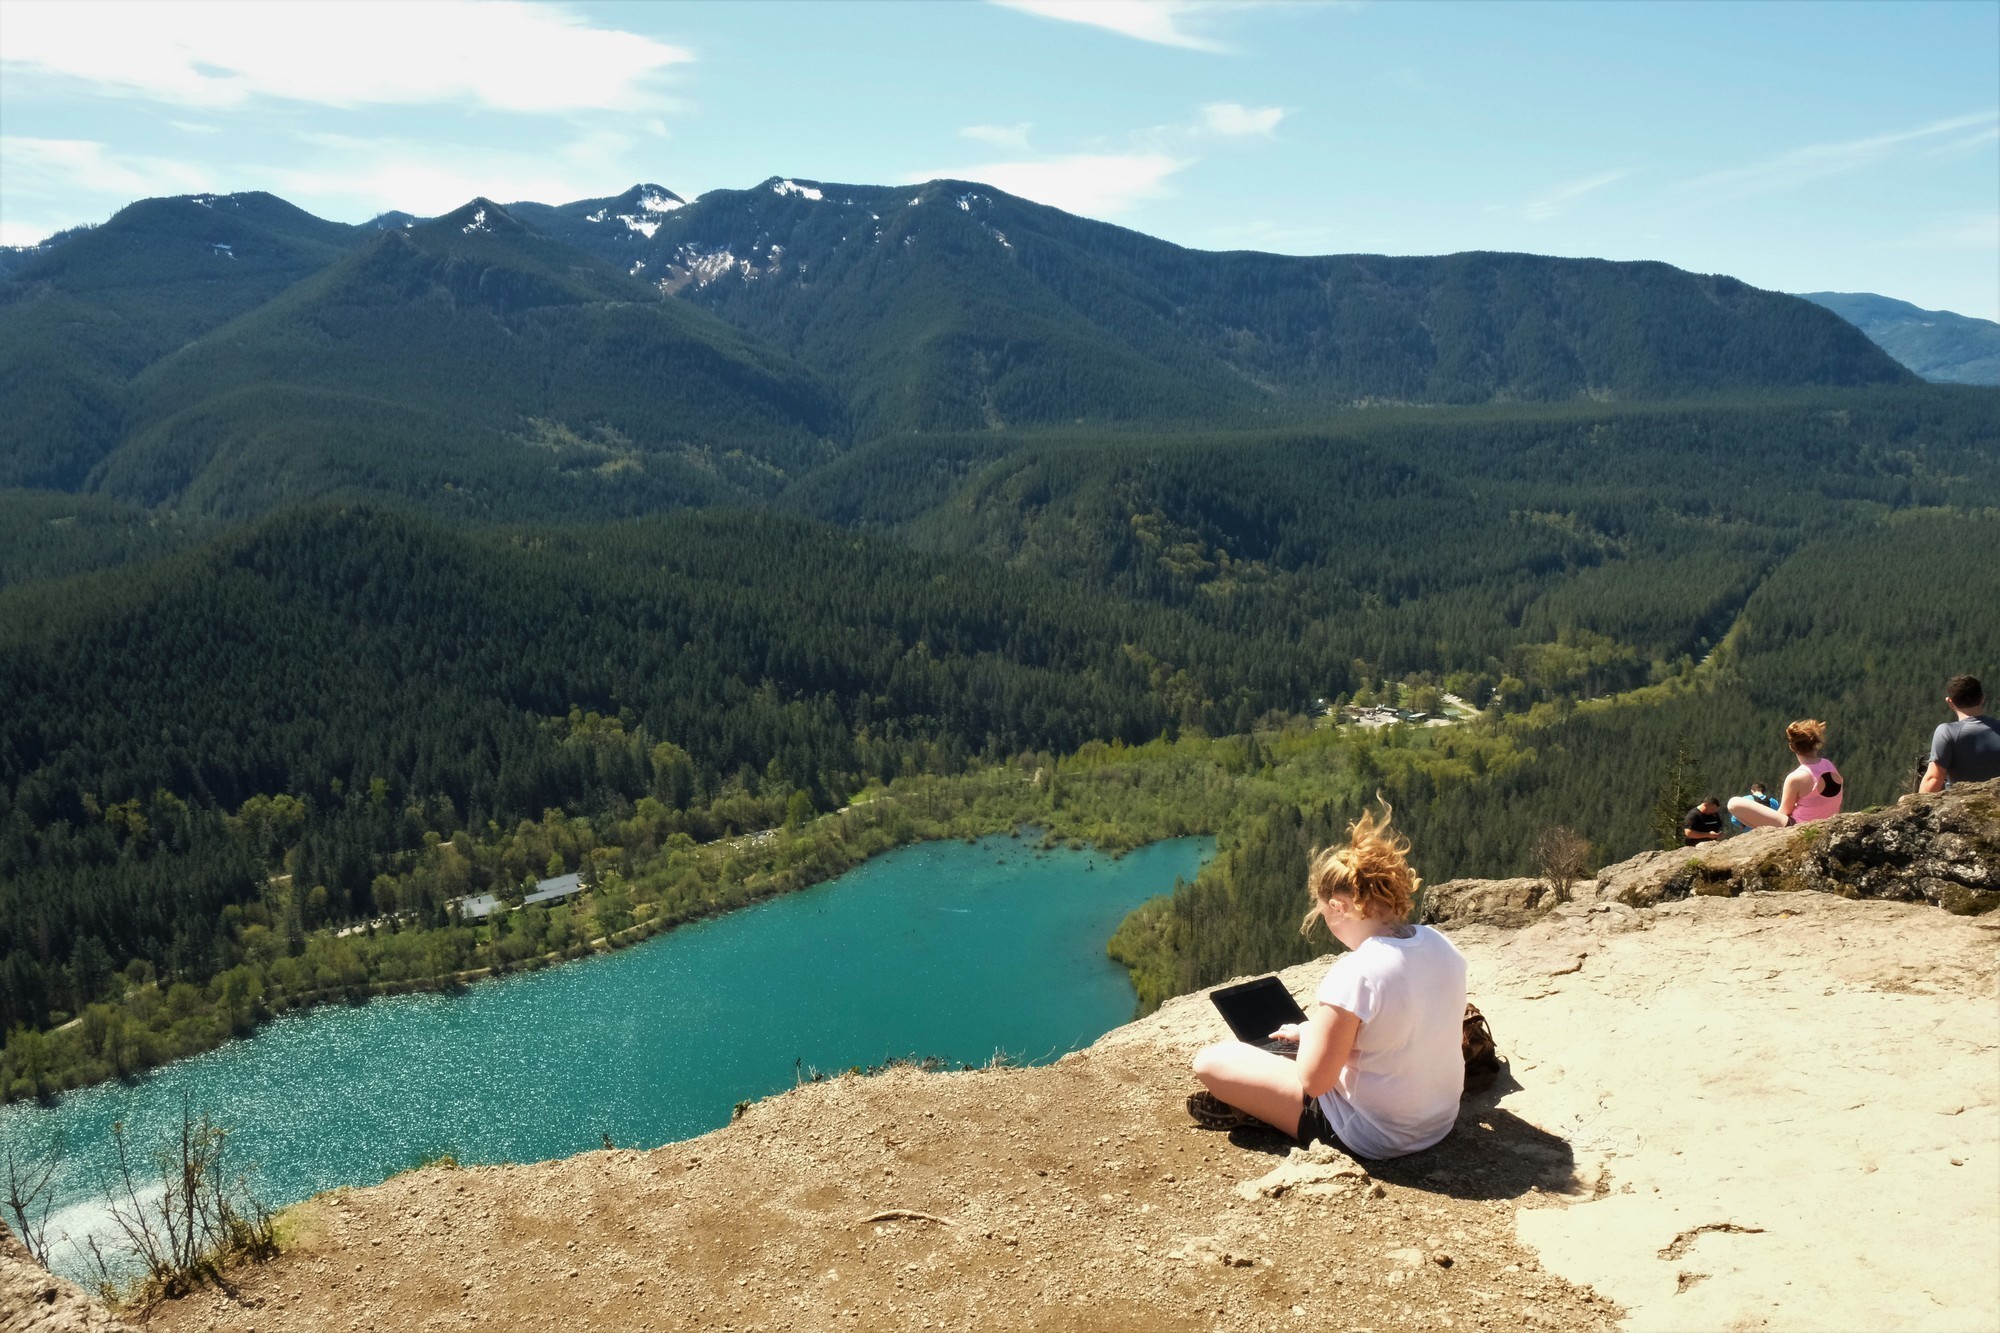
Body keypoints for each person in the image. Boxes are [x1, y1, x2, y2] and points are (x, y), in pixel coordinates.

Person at [1186, 804, 1467, 1159]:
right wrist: (1314, 1032)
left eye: (1325, 916)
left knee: (1212, 1061)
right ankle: (1265, 1103)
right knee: (1300, 1049)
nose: (1330, 928)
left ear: (1339, 907)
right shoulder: (1441, 944)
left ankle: (1262, 1111)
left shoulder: (1357, 970)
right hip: (1439, 1122)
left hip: (1375, 1136)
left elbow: (1315, 1082)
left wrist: (1308, 1045)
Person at [1727, 719, 1843, 828]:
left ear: (1792, 747)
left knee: (1733, 803)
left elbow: (1784, 812)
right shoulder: (1828, 765)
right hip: (1827, 822)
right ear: (1816, 744)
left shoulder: (1796, 777)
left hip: (1798, 826)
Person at [1920, 675, 2000, 791]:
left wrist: (1914, 805)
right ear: (1982, 698)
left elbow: (1934, 778)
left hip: (1960, 802)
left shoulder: (1947, 732)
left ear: (1950, 702)